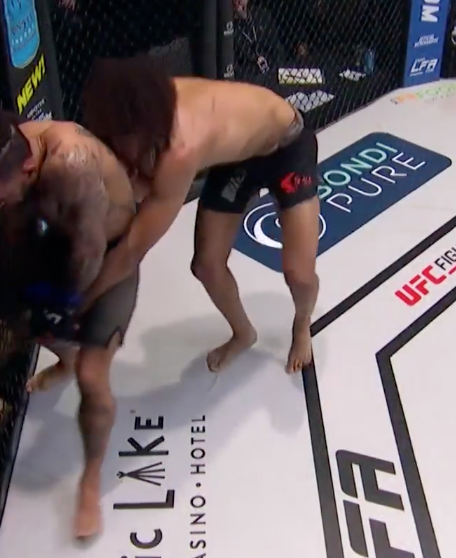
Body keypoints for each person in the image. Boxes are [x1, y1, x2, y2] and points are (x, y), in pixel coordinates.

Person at [0, 107, 139, 539]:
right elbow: (18, 224)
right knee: (27, 315)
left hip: (109, 251)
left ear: (27, 169)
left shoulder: (69, 166)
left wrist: (68, 309)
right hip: (56, 234)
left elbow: (89, 253)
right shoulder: (10, 147)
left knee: (92, 375)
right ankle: (63, 358)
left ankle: (90, 482)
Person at [81, 55, 319, 374]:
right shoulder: (143, 105)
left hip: (288, 146)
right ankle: (243, 333)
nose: (115, 149)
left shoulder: (181, 148)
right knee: (206, 265)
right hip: (238, 159)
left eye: (119, 141)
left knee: (299, 273)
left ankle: (302, 324)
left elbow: (132, 250)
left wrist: (80, 303)